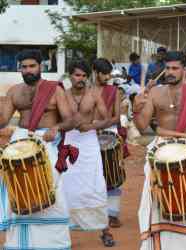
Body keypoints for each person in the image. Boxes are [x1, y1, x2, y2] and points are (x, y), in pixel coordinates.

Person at [134, 51, 186, 250]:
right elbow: (141, 126)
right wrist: (135, 109)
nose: (170, 72)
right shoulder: (155, 93)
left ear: (184, 70)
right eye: (167, 68)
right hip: (160, 151)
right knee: (156, 204)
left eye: (175, 68)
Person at [0, 49, 75, 249]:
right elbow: (3, 120)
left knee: (50, 189)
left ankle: (53, 244)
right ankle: (19, 244)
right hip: (20, 142)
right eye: (24, 67)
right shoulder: (14, 91)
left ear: (41, 66)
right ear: (20, 69)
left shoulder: (55, 90)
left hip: (46, 143)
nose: (28, 70)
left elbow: (70, 119)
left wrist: (56, 127)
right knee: (16, 189)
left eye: (32, 66)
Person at [62, 59, 115, 247]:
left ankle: (105, 230)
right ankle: (63, 232)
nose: (81, 79)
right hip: (68, 143)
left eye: (84, 76)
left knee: (96, 185)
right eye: (77, 75)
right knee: (66, 187)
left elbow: (107, 119)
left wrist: (90, 126)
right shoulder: (62, 95)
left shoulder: (93, 95)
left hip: (89, 143)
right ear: (70, 76)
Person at [93, 58, 129, 229]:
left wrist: (99, 125)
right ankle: (92, 214)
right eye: (104, 73)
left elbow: (116, 117)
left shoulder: (114, 91)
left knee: (113, 175)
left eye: (109, 73)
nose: (107, 77)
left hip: (110, 135)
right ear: (95, 72)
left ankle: (112, 215)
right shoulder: (86, 90)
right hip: (88, 135)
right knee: (91, 176)